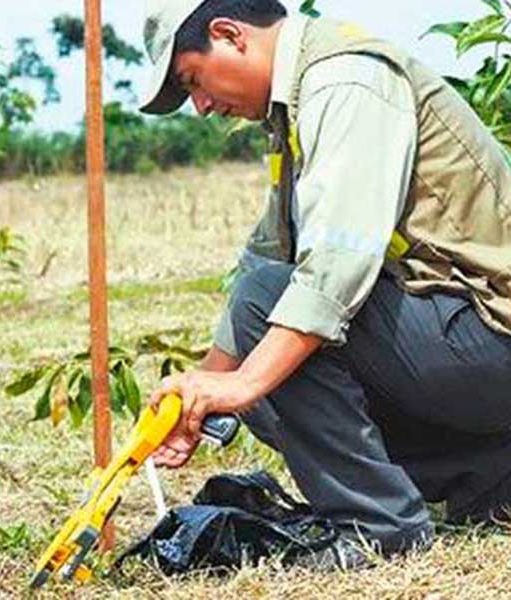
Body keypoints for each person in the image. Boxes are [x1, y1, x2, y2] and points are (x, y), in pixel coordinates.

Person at [139, 0, 511, 568]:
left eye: (193, 81)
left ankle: (378, 526)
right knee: (259, 343)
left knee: (268, 325)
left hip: (492, 332)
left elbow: (337, 264)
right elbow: (266, 255)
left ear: (229, 35)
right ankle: (486, 477)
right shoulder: (300, 103)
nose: (202, 107)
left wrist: (241, 386)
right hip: (460, 341)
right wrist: (198, 402)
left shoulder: (346, 79)